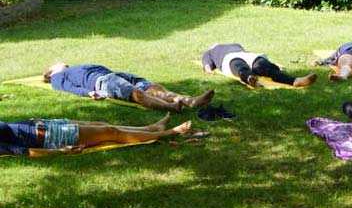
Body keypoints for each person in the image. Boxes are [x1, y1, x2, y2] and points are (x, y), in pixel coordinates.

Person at [43, 63, 214, 112]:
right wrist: (87, 92)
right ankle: (171, 106)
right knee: (136, 93)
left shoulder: (71, 68)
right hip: (102, 82)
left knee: (153, 87)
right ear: (50, 73)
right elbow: (67, 88)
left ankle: (189, 101)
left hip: (114, 74)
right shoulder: (57, 77)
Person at [0, 113, 192, 156]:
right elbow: (24, 151)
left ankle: (151, 128)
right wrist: (61, 151)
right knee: (111, 133)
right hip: (48, 137)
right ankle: (169, 132)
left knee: (101, 125)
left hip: (44, 124)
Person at [201, 43, 317, 88]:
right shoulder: (210, 51)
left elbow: (246, 51)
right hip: (229, 59)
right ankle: (251, 79)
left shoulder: (235, 44)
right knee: (240, 67)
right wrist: (207, 67)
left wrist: (273, 64)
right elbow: (206, 61)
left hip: (246, 55)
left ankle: (296, 81)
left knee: (261, 65)